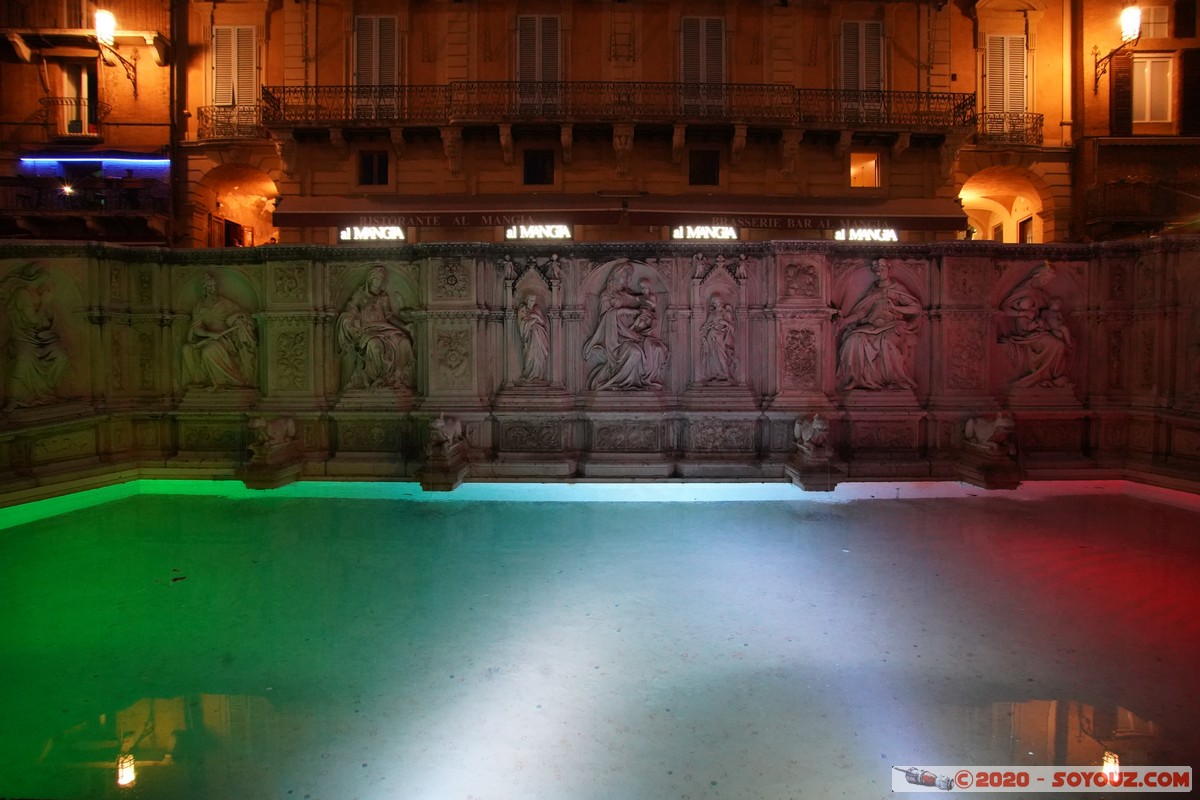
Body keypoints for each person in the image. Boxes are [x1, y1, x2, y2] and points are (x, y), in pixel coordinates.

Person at [836, 260, 921, 390]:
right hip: (872, 325)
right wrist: (845, 321)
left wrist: (896, 308)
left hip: (892, 325)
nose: (879, 273)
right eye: (877, 270)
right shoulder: (873, 290)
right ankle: (856, 378)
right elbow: (862, 311)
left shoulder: (896, 289)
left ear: (888, 269)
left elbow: (915, 308)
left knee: (886, 343)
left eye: (882, 269)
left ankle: (894, 380)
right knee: (853, 339)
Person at [583, 264, 669, 391]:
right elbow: (605, 320)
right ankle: (620, 383)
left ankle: (646, 381)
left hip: (633, 335)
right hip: (615, 339)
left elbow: (646, 305)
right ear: (615, 276)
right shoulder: (606, 296)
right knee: (635, 352)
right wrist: (626, 311)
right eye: (625, 275)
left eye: (630, 276)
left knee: (655, 348)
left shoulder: (629, 295)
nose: (628, 279)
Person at [336, 266, 415, 390]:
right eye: (378, 278)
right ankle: (380, 379)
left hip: (385, 328)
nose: (380, 281)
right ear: (370, 279)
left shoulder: (383, 296)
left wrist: (405, 326)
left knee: (404, 341)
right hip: (368, 330)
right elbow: (349, 311)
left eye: (382, 279)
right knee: (375, 346)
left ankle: (399, 379)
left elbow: (389, 316)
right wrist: (349, 325)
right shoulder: (360, 294)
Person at [3, 264, 69, 411]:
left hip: (41, 340)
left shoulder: (41, 294)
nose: (48, 282)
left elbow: (46, 322)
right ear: (37, 278)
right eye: (45, 278)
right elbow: (33, 321)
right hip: (22, 338)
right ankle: (13, 399)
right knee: (24, 359)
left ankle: (46, 393)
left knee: (61, 357)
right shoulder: (22, 294)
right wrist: (45, 303)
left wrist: (47, 303)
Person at [999, 262, 1073, 388]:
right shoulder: (1023, 292)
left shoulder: (1038, 293)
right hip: (1026, 332)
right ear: (1038, 276)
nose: (1046, 282)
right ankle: (1044, 376)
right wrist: (1023, 313)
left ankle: (1051, 377)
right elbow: (1004, 309)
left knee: (1061, 342)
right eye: (1046, 279)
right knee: (1058, 345)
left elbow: (1045, 313)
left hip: (1038, 329)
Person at [181, 272, 258, 391]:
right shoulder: (200, 305)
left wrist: (238, 318)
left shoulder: (224, 302)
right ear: (205, 288)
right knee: (186, 349)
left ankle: (221, 383)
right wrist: (210, 334)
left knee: (209, 350)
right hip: (207, 338)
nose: (213, 289)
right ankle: (200, 380)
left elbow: (243, 313)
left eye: (214, 286)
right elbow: (196, 328)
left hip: (224, 339)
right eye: (210, 286)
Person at [699, 295, 737, 383]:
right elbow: (707, 324)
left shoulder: (726, 313)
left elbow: (732, 328)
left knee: (721, 355)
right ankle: (716, 373)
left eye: (718, 302)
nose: (717, 304)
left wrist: (725, 322)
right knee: (712, 355)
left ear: (721, 302)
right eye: (715, 302)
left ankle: (727, 374)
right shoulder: (712, 313)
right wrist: (703, 330)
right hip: (711, 335)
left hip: (720, 335)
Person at [517, 293, 550, 382]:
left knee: (539, 357)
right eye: (531, 300)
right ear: (527, 301)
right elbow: (522, 324)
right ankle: (528, 375)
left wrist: (536, 317)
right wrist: (532, 321)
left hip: (539, 337)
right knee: (529, 356)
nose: (533, 302)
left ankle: (537, 376)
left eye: (534, 300)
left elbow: (543, 322)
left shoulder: (537, 310)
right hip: (528, 338)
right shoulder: (523, 310)